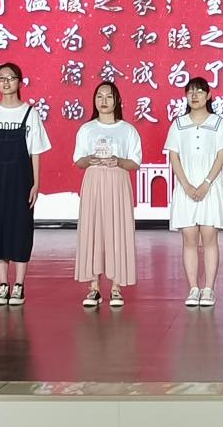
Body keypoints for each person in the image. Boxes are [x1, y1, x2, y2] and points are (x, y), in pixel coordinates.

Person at [0, 62, 52, 307]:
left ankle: (19, 284)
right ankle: (3, 284)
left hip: (21, 180)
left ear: (20, 82)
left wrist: (36, 183)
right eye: (1, 78)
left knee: (21, 227)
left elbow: (35, 152)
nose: (6, 82)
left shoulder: (30, 113)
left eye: (11, 78)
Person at [164, 77, 223, 307]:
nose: (194, 96)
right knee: (189, 238)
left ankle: (209, 289)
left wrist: (206, 183)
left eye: (200, 92)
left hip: (210, 188)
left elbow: (221, 156)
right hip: (186, 189)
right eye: (190, 92)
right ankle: (193, 288)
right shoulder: (178, 124)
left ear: (209, 95)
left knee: (209, 237)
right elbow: (174, 156)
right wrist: (185, 185)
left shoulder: (218, 123)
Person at [73, 81, 142, 308]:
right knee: (93, 231)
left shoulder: (127, 130)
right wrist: (89, 159)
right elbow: (79, 161)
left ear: (117, 101)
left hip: (118, 181)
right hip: (93, 181)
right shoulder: (87, 129)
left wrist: (119, 161)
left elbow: (135, 162)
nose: (104, 101)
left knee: (117, 231)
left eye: (109, 96)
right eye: (99, 96)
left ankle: (116, 288)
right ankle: (93, 287)